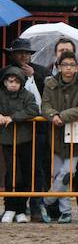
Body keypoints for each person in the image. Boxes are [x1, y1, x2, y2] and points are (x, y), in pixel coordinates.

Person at [40, 51, 78, 223]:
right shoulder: (50, 84)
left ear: (77, 67)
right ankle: (66, 211)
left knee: (68, 172)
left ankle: (45, 201)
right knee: (57, 174)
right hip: (56, 134)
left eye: (72, 65)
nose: (68, 68)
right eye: (65, 65)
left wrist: (63, 116)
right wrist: (53, 114)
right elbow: (45, 105)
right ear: (59, 67)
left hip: (76, 135)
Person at [3, 37, 52, 221]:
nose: (24, 56)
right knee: (14, 171)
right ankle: (14, 207)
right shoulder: (5, 73)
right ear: (13, 54)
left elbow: (49, 94)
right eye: (20, 52)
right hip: (12, 129)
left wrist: (34, 76)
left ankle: (37, 207)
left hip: (38, 128)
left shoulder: (41, 71)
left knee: (37, 170)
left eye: (27, 53)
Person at [0, 67, 40, 223]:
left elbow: (34, 110)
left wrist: (13, 117)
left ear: (21, 83)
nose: (13, 84)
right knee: (11, 174)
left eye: (17, 81)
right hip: (7, 140)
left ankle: (21, 209)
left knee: (24, 174)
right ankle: (9, 208)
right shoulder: (1, 94)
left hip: (25, 139)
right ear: (4, 82)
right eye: (10, 81)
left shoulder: (27, 95)